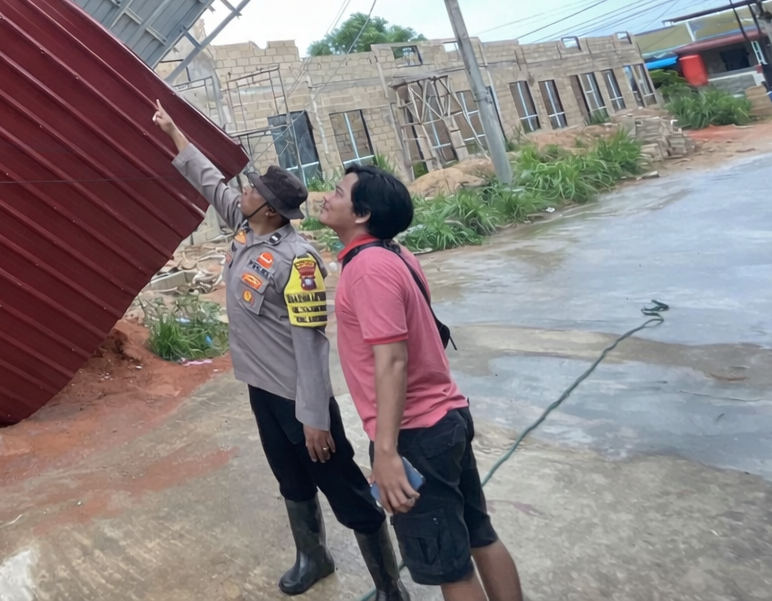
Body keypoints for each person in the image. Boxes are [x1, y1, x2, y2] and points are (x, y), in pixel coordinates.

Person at [151, 101, 407, 599]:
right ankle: (314, 556)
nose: (239, 192)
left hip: (299, 398)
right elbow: (210, 183)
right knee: (290, 479)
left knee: (346, 491)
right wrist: (174, 131)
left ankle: (389, 586)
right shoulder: (246, 229)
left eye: (250, 190)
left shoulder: (299, 261)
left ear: (268, 207)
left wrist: (314, 415)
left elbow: (311, 343)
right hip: (262, 391)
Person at [318, 164, 524, 601]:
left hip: (415, 435)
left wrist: (387, 453)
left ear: (362, 214)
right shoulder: (394, 254)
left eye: (338, 192)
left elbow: (391, 360)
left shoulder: (368, 268)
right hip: (446, 418)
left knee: (449, 564)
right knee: (478, 533)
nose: (327, 196)